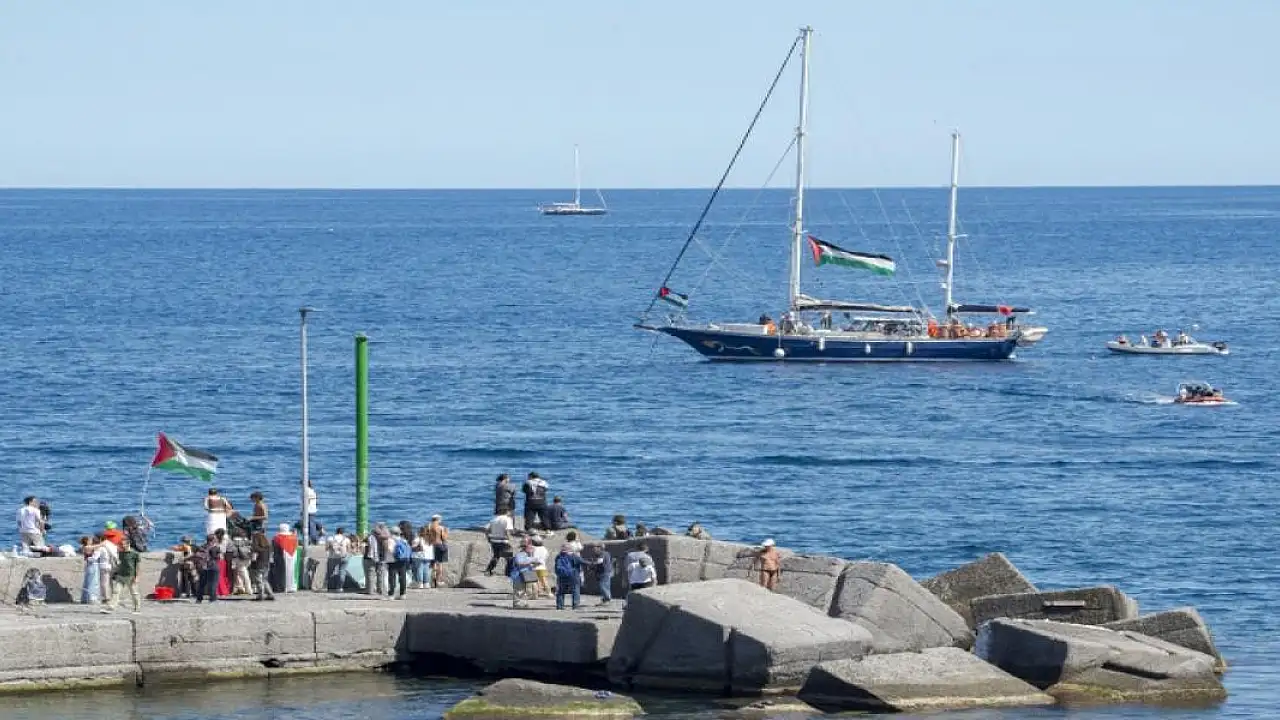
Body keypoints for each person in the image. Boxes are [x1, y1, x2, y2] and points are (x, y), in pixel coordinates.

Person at [103, 538, 141, 613]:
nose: (122, 546)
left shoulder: (135, 554)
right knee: (116, 591)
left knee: (134, 593)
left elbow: (138, 567)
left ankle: (137, 608)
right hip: (120, 576)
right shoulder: (120, 553)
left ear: (128, 544)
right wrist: (115, 573)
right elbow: (119, 564)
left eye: (123, 544)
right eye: (121, 544)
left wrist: (137, 577)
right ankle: (112, 607)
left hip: (131, 576)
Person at [484, 509, 515, 576]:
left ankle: (488, 570)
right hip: (504, 541)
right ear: (506, 512)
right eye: (509, 511)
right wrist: (510, 540)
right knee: (509, 558)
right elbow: (507, 531)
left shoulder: (494, 519)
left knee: (496, 556)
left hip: (494, 541)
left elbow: (486, 529)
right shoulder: (507, 519)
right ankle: (508, 574)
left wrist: (488, 538)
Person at [509, 540, 537, 609]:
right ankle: (517, 603)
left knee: (525, 590)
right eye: (530, 547)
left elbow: (529, 564)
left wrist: (535, 563)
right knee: (519, 590)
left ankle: (523, 603)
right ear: (525, 547)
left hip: (526, 575)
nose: (532, 548)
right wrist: (532, 560)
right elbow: (519, 562)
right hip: (518, 576)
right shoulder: (520, 554)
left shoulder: (528, 555)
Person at [553, 545, 583, 610]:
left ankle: (560, 606)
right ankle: (575, 605)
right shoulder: (574, 556)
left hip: (561, 576)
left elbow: (556, 565)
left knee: (561, 591)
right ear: (570, 549)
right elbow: (582, 561)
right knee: (575, 590)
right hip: (573, 575)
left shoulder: (558, 556)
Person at [195, 533, 222, 603]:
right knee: (213, 583)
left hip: (203, 567)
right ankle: (213, 598)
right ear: (213, 540)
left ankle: (199, 599)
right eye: (215, 539)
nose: (216, 540)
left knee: (202, 584)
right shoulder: (215, 548)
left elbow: (197, 556)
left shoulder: (202, 547)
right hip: (212, 566)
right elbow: (219, 557)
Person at [425, 514, 450, 588]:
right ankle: (438, 581)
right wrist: (447, 532)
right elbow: (444, 538)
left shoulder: (428, 526)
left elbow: (425, 536)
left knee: (432, 564)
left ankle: (431, 580)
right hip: (439, 545)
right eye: (440, 519)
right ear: (438, 519)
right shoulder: (441, 527)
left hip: (430, 546)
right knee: (440, 564)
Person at [272, 523, 298, 593]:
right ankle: (292, 587)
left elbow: (274, 548)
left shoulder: (277, 538)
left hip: (281, 557)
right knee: (292, 571)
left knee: (282, 573)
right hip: (292, 556)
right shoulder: (294, 537)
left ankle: (282, 587)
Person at [325, 527, 352, 592]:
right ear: (343, 533)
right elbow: (349, 549)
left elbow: (326, 548)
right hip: (343, 557)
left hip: (332, 557)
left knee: (330, 572)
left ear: (336, 532)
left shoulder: (330, 538)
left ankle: (329, 587)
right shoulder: (346, 539)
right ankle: (340, 587)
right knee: (342, 571)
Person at [249, 532, 274, 601]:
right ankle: (270, 594)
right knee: (265, 580)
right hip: (266, 565)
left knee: (259, 581)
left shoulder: (256, 548)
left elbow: (253, 558)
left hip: (258, 565)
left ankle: (260, 595)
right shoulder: (268, 547)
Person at [388, 527, 411, 599]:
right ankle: (403, 594)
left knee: (392, 578)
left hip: (392, 560)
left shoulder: (390, 540)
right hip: (403, 560)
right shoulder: (403, 540)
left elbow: (390, 550)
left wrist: (394, 554)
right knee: (402, 577)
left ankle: (391, 594)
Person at [79, 536, 101, 604]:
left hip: (89, 565)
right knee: (93, 582)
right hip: (92, 565)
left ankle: (85, 598)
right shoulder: (87, 547)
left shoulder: (86, 547)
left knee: (87, 582)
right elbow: (94, 556)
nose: (92, 541)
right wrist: (102, 544)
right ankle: (92, 598)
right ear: (87, 541)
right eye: (90, 540)